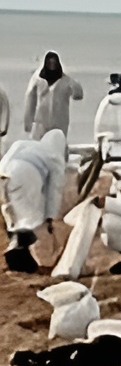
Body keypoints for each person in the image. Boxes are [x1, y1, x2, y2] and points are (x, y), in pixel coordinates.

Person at [0, 129, 68, 271]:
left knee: (12, 214)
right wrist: (50, 216)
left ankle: (19, 252)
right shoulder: (55, 157)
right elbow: (54, 190)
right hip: (27, 174)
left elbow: (7, 157)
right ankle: (19, 257)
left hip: (4, 172)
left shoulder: (24, 144)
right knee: (29, 219)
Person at [23, 52, 83, 140]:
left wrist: (71, 79)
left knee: (57, 146)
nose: (52, 65)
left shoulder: (65, 80)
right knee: (38, 146)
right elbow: (30, 100)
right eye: (50, 63)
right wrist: (28, 122)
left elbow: (78, 95)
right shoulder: (38, 80)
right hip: (40, 121)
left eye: (54, 63)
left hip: (59, 122)